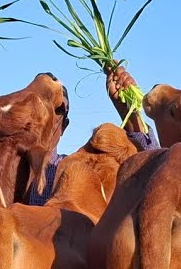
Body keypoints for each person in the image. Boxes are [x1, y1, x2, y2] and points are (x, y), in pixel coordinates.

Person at [27, 62, 158, 205]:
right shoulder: (0, 161)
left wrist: (128, 112)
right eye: (38, 103)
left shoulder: (78, 167)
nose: (48, 113)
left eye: (58, 108)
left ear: (64, 126)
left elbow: (152, 173)